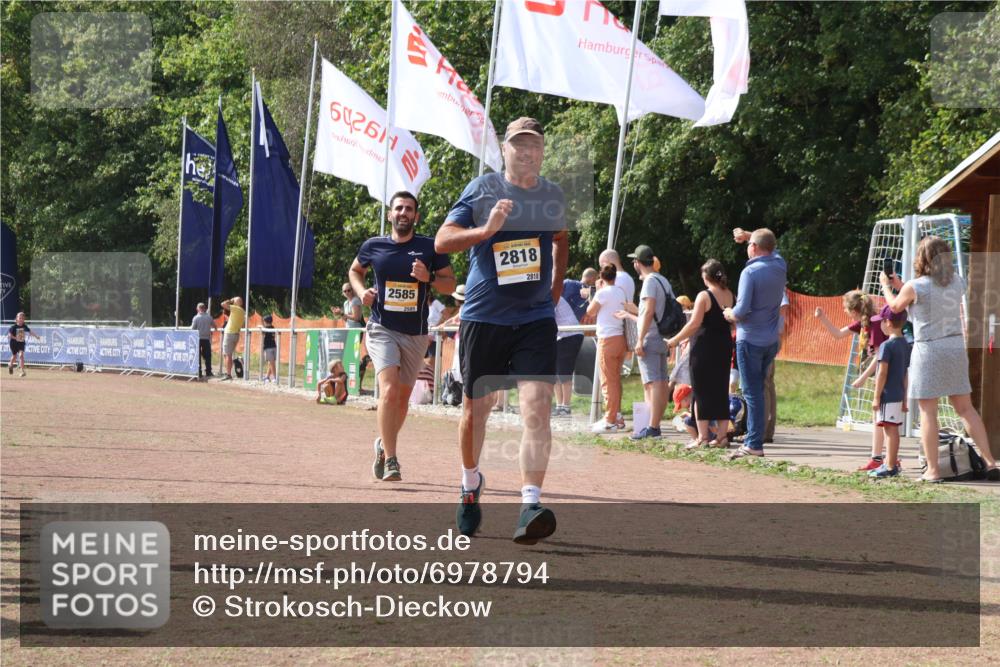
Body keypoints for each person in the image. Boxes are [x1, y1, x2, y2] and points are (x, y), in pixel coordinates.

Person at [435, 116, 568, 545]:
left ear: (542, 152)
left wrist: (554, 291)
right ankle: (470, 483)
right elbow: (442, 241)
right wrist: (486, 230)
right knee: (476, 411)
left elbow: (561, 238)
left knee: (537, 406)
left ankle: (530, 505)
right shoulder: (482, 190)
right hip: (484, 317)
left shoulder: (551, 195)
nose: (526, 152)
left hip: (534, 319)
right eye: (518, 145)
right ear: (504, 150)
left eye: (534, 145)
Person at [351, 190, 456, 482]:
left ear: (416, 216)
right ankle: (392, 460)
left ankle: (383, 445)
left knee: (402, 400)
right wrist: (362, 292)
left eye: (409, 209)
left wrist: (429, 278)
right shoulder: (373, 246)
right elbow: (355, 271)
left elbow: (450, 285)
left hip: (416, 334)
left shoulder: (429, 247)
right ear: (390, 214)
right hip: (382, 328)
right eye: (398, 208)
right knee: (389, 390)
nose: (403, 213)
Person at [880, 236, 998, 482]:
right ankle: (990, 462)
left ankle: (933, 471)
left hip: (929, 350)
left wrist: (886, 286)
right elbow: (926, 296)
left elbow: (896, 307)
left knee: (928, 412)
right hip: (955, 347)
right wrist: (901, 284)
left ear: (922, 258)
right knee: (966, 409)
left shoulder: (915, 286)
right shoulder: (957, 282)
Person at [723, 228, 787, 459]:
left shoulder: (749, 272)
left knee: (752, 393)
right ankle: (755, 440)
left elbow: (741, 311)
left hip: (749, 339)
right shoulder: (779, 265)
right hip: (770, 340)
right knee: (759, 391)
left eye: (750, 244)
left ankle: (753, 443)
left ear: (754, 247)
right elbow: (771, 246)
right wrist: (750, 236)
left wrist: (728, 313)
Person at [815, 290, 888, 470]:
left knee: (885, 418)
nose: (844, 311)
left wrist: (863, 377)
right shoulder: (863, 323)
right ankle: (878, 458)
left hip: (889, 373)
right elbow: (838, 334)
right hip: (881, 374)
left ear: (854, 310)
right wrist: (823, 318)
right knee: (879, 416)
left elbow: (880, 355)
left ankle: (889, 458)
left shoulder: (875, 323)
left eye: (845, 308)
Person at [668, 259, 736, 448]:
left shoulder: (704, 296)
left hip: (704, 347)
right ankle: (722, 437)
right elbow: (732, 323)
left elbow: (694, 323)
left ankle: (703, 437)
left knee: (700, 392)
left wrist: (675, 340)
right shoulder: (730, 295)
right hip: (723, 346)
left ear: (706, 276)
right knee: (721, 390)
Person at [626, 245, 675, 440]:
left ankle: (652, 427)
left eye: (634, 261)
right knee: (661, 382)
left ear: (637, 263)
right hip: (663, 335)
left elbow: (648, 311)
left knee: (652, 383)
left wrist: (639, 339)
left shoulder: (649, 282)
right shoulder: (663, 280)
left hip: (650, 336)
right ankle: (655, 425)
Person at [868, 305, 910, 479]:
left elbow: (882, 373)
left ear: (888, 323)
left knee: (889, 430)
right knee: (893, 429)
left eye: (882, 322)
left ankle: (890, 465)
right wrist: (905, 399)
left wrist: (876, 397)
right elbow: (905, 374)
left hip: (888, 395)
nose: (880, 325)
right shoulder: (905, 344)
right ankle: (891, 463)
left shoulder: (887, 345)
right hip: (898, 394)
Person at [587, 264, 628, 433]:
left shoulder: (602, 293)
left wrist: (596, 291)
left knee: (607, 381)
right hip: (620, 338)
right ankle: (616, 416)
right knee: (615, 380)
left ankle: (610, 420)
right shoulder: (620, 291)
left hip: (607, 339)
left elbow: (590, 311)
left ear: (601, 277)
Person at [763, 289, 789, 443]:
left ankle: (763, 430)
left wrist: (776, 331)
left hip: (769, 337)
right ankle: (767, 430)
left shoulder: (776, 287)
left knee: (764, 384)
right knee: (768, 384)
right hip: (772, 336)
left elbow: (783, 307)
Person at [553, 295, 583, 417]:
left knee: (564, 372)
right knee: (555, 372)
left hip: (569, 335)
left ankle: (566, 406)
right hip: (560, 336)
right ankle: (559, 405)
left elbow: (547, 318)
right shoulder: (542, 296)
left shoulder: (550, 295)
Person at [219, 296, 245, 381]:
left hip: (229, 333)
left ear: (236, 302)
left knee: (227, 355)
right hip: (236, 333)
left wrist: (230, 300)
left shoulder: (235, 308)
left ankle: (228, 374)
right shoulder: (242, 311)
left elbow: (222, 304)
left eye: (234, 301)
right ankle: (228, 371)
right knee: (227, 354)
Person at [7, 312, 40, 376]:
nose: (21, 319)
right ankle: (10, 365)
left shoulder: (24, 326)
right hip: (13, 343)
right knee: (14, 356)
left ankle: (22, 371)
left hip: (21, 343)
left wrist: (36, 336)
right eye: (20, 318)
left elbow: (30, 331)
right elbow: (9, 336)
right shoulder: (13, 327)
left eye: (22, 318)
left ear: (24, 319)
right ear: (17, 319)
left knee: (21, 355)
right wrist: (16, 338)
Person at [190, 303, 215, 379]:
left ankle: (199, 372)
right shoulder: (209, 317)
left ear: (198, 309)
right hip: (206, 339)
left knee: (198, 356)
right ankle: (208, 371)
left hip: (198, 338)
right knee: (208, 356)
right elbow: (214, 326)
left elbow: (192, 329)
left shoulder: (196, 318)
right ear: (205, 308)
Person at [261, 314, 277, 383]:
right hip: (274, 347)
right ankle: (267, 377)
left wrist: (261, 327)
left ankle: (275, 377)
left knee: (271, 363)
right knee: (270, 363)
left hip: (268, 348)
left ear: (265, 321)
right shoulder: (272, 327)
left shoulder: (266, 328)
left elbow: (263, 331)